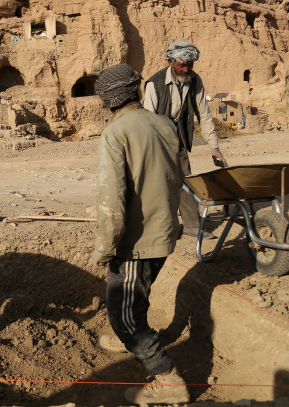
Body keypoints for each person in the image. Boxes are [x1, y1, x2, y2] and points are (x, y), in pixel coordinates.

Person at [92, 63, 189, 405]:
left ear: (106, 100)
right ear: (136, 91)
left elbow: (112, 200)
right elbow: (183, 173)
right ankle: (130, 338)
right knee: (138, 293)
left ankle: (167, 379)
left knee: (123, 315)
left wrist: (105, 248)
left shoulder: (115, 133)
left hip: (136, 242)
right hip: (165, 231)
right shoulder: (165, 123)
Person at [143, 41, 226, 238]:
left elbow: (204, 114)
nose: (186, 68)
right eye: (182, 65)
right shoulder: (155, 83)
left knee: (186, 179)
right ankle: (158, 228)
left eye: (190, 64)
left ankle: (192, 226)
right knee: (157, 184)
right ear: (171, 62)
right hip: (157, 138)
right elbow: (146, 120)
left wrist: (214, 147)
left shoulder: (194, 80)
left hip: (178, 136)